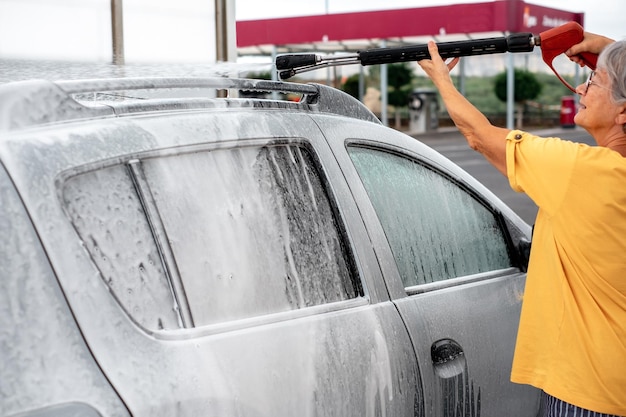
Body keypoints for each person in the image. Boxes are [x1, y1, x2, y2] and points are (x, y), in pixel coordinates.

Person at [417, 32, 626, 417]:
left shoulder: (585, 172)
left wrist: (441, 80)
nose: (581, 84)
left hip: (586, 391)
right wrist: (610, 52)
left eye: (594, 82)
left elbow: (480, 136)